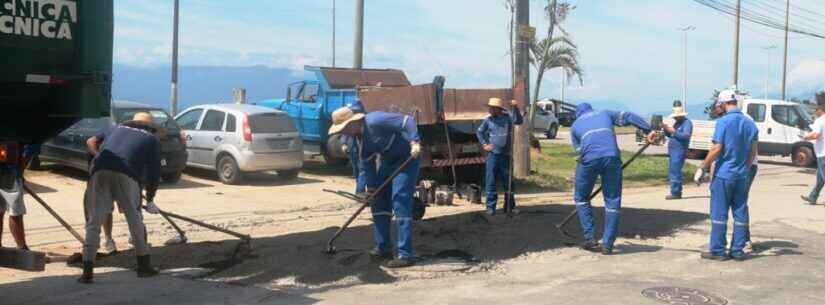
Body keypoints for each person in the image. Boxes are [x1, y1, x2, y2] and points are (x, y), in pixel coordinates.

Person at [328, 106, 422, 268]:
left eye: (344, 128)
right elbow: (367, 166)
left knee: (399, 200)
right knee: (378, 201)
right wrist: (371, 190)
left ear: (353, 122)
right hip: (388, 163)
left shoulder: (375, 120)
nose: (344, 133)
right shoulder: (361, 142)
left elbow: (408, 121)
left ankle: (406, 254)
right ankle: (383, 247)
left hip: (407, 159)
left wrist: (414, 141)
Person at [78, 112, 163, 283]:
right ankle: (144, 267)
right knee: (135, 220)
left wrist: (97, 159)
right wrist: (151, 197)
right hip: (126, 175)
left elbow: (91, 142)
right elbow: (154, 172)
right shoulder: (151, 140)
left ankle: (87, 272)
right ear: (150, 127)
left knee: (94, 222)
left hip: (99, 171)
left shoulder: (115, 129)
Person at [570, 103, 655, 255]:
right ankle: (608, 244)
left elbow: (579, 153)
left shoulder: (575, 125)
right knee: (612, 200)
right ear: (591, 109)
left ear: (578, 114)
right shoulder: (605, 113)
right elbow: (628, 116)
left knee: (581, 198)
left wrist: (585, 173)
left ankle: (590, 238)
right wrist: (649, 130)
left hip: (589, 159)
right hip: (612, 158)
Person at [695, 89, 758, 261]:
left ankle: (718, 250)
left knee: (719, 213)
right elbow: (752, 152)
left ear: (723, 104)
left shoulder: (723, 123)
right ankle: (737, 250)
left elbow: (716, 148)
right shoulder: (749, 123)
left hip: (724, 175)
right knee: (740, 211)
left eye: (718, 105)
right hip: (742, 175)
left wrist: (702, 167)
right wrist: (744, 169)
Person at [476, 98, 523, 215]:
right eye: (489, 108)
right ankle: (490, 207)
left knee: (508, 182)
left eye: (492, 108)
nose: (490, 110)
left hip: (506, 155)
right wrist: (484, 144)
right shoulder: (488, 120)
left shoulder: (508, 118)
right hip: (492, 156)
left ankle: (509, 206)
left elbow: (519, 121)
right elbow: (479, 132)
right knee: (490, 181)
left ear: (498, 109)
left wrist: (515, 107)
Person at [0, 143, 38, 250]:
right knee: (15, 213)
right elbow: (29, 151)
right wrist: (20, 173)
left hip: (9, 171)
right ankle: (22, 249)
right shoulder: (26, 130)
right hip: (10, 173)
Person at [662, 101, 693, 200]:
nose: (675, 118)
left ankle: (676, 192)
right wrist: (666, 129)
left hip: (680, 151)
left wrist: (673, 131)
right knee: (673, 171)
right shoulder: (677, 123)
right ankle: (674, 191)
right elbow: (671, 135)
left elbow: (686, 135)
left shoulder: (687, 123)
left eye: (676, 116)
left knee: (675, 171)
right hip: (673, 151)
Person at [801, 103, 825, 205]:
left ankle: (813, 196)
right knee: (820, 177)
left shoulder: (820, 121)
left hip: (823, 153)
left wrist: (805, 137)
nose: (815, 112)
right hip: (822, 153)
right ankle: (813, 197)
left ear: (820, 110)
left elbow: (816, 135)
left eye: (816, 110)